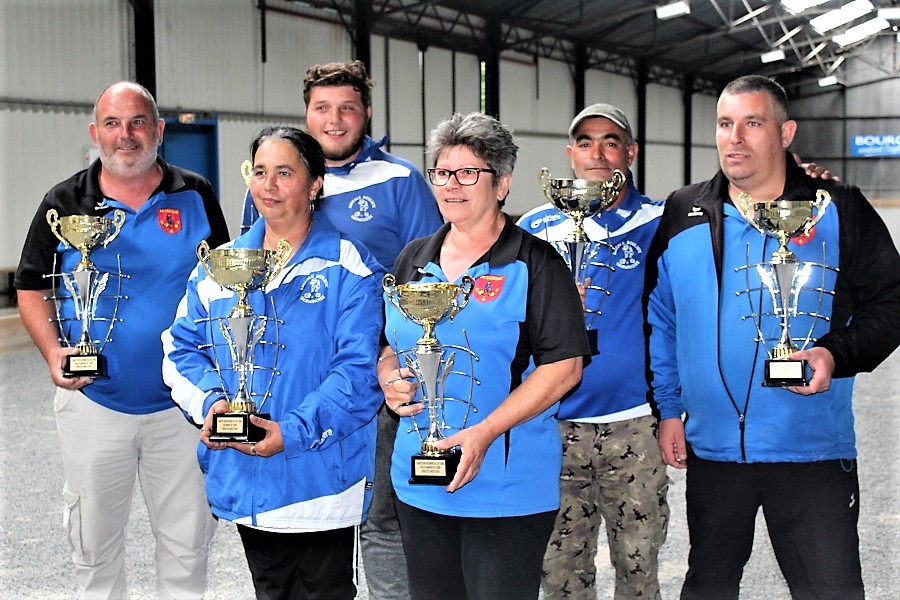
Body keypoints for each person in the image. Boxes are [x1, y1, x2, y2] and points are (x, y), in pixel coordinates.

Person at [645, 74, 900, 599]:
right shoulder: (683, 211)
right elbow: (661, 318)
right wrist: (668, 410)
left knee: (830, 591)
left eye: (752, 123)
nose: (734, 137)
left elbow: (892, 302)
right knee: (708, 587)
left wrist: (835, 353)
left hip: (810, 452)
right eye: (724, 123)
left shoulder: (838, 208)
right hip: (713, 453)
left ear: (785, 133)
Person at [14, 81, 228, 599]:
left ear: (158, 131)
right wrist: (53, 352)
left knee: (186, 546)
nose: (125, 135)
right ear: (95, 133)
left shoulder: (194, 194)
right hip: (94, 403)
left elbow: (226, 285)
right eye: (112, 124)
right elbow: (29, 286)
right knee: (94, 548)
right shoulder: (63, 203)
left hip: (182, 408)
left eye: (137, 123)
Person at [241, 60, 442, 599]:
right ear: (306, 113)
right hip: (290, 379)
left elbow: (429, 276)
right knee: (302, 514)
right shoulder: (273, 181)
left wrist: (387, 355)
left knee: (378, 518)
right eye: (322, 108)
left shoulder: (401, 181)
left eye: (347, 108)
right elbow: (249, 278)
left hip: (372, 375)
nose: (334, 120)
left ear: (367, 113)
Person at [162, 126, 384, 599]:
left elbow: (358, 372)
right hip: (245, 476)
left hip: (320, 477)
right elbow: (181, 349)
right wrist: (213, 405)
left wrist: (293, 432)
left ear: (315, 184)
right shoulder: (217, 267)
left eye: (285, 173)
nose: (269, 185)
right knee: (271, 591)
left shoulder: (351, 267)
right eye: (260, 172)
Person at [378, 111, 591, 600]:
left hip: (504, 487)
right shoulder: (413, 258)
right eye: (442, 172)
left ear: (502, 184)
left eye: (469, 172)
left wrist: (484, 432)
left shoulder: (535, 263)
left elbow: (565, 369)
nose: (452, 184)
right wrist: (391, 379)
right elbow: (390, 346)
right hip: (420, 481)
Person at [517, 104, 669, 599]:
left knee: (639, 570)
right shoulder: (535, 229)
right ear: (570, 154)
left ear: (631, 152)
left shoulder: (660, 223)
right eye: (585, 142)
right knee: (558, 574)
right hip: (551, 425)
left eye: (610, 141)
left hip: (634, 424)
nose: (597, 153)